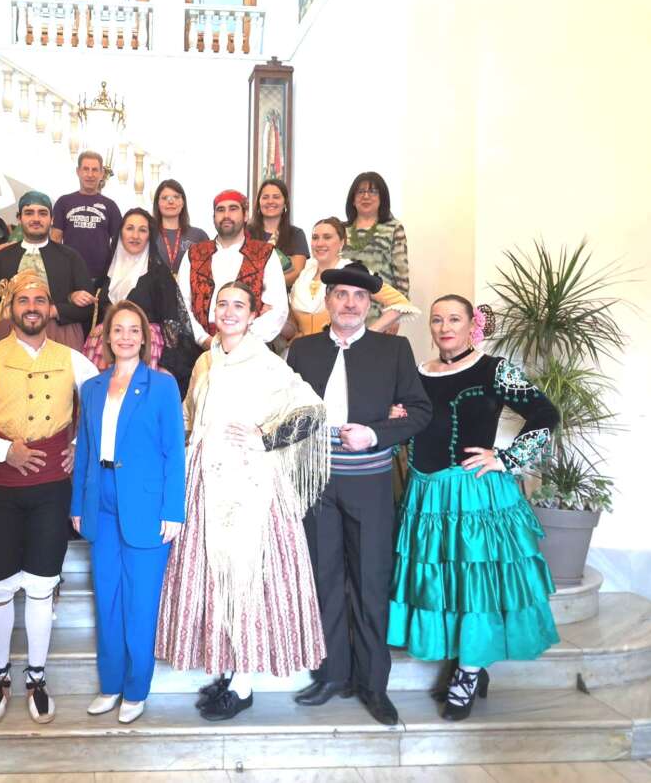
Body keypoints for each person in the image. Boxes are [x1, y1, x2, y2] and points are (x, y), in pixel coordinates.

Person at [157, 281, 331, 721]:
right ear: (213, 309)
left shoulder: (267, 363)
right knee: (214, 580)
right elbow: (188, 416)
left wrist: (265, 437)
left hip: (251, 487)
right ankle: (227, 669)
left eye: (239, 305)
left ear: (254, 314)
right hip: (204, 482)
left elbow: (311, 410)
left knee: (247, 576)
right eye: (223, 303)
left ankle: (244, 682)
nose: (229, 311)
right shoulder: (204, 361)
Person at [387, 295, 560, 721]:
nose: (445, 327)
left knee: (475, 585)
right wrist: (396, 417)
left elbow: (545, 412)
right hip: (426, 496)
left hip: (474, 495)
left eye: (454, 319)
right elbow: (408, 424)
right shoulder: (416, 373)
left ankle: (467, 672)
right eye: (437, 319)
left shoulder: (493, 369)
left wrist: (504, 458)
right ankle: (469, 662)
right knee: (443, 583)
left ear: (471, 325)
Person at [285, 262, 431, 726]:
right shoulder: (302, 350)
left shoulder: (394, 350)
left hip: (368, 483)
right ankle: (332, 673)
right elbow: (287, 412)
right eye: (341, 295)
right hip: (316, 484)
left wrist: (376, 432)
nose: (349, 303)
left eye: (359, 297)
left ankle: (373, 683)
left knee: (369, 582)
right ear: (327, 301)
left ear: (370, 306)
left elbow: (420, 411)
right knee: (324, 579)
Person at [0, 271, 98, 725]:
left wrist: (79, 448)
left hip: (52, 490)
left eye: (39, 299)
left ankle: (36, 675)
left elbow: (99, 409)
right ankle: (0, 676)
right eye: (23, 300)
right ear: (11, 308)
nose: (31, 307)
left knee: (41, 584)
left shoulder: (74, 360)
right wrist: (4, 451)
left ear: (50, 308)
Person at [71, 301, 186, 725]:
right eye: (116, 329)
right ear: (105, 336)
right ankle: (110, 684)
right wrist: (77, 505)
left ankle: (136, 689)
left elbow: (175, 451)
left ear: (144, 337)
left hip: (146, 505)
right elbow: (83, 448)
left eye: (132, 329)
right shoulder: (93, 387)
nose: (124, 337)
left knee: (140, 603)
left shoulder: (162, 386)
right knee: (108, 599)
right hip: (99, 501)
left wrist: (174, 509)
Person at [82, 208, 200, 394]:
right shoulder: (107, 274)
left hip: (146, 349)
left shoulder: (159, 274)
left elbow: (173, 321)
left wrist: (167, 365)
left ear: (149, 236)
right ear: (120, 232)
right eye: (130, 228)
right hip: (103, 349)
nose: (135, 235)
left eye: (142, 230)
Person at [0, 191, 94, 351]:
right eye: (29, 213)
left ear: (52, 219)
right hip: (9, 338)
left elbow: (88, 307)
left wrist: (53, 310)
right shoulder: (1, 258)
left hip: (60, 337)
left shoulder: (70, 257)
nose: (36, 219)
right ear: (19, 218)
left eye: (43, 213)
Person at [178, 190, 288, 351]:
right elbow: (182, 304)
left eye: (233, 208)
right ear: (214, 217)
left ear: (245, 215)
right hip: (199, 348)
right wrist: (204, 339)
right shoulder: (194, 254)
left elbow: (278, 308)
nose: (226, 215)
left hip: (250, 349)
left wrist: (241, 341)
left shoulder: (265, 253)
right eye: (220, 210)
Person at [289, 217, 418, 339]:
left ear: (342, 242)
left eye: (327, 237)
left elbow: (400, 302)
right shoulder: (303, 273)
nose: (320, 243)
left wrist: (370, 333)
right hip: (299, 352)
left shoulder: (353, 271)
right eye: (315, 238)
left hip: (339, 350)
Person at [51, 151, 122, 282]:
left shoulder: (110, 206)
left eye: (95, 170)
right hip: (69, 274)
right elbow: (55, 239)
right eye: (86, 169)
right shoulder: (63, 202)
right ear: (78, 171)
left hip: (102, 276)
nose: (90, 174)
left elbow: (119, 244)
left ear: (101, 174)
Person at [342, 172, 409, 300]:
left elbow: (402, 275)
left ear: (382, 198)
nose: (366, 196)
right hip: (345, 306)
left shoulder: (394, 228)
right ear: (353, 200)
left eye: (373, 191)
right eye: (360, 192)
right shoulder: (341, 229)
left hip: (381, 309)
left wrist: (399, 308)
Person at [247, 178, 309, 288]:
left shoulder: (296, 234)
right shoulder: (245, 232)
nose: (270, 201)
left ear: (285, 202)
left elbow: (296, 272)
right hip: (246, 297)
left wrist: (265, 288)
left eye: (276, 197)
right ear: (259, 202)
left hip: (282, 298)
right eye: (265, 197)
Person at [151, 179, 209, 274]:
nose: (170, 202)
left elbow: (208, 270)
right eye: (165, 198)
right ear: (157, 203)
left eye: (176, 197)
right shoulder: (148, 234)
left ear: (183, 203)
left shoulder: (199, 236)